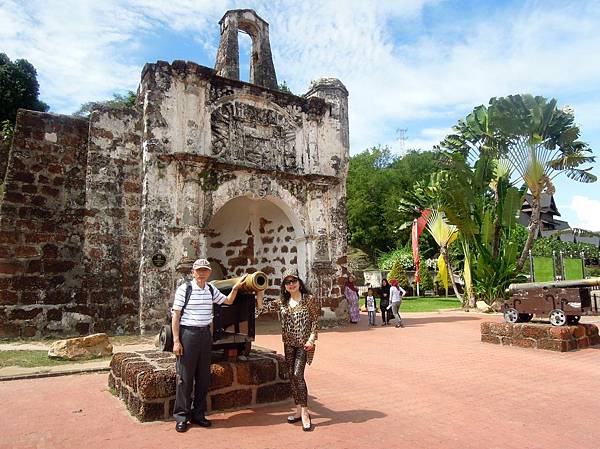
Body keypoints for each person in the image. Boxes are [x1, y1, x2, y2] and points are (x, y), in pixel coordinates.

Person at [171, 258, 247, 433]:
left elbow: (227, 301)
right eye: (199, 270)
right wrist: (176, 340)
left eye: (205, 270)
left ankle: (198, 414)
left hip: (205, 334)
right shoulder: (185, 289)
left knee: (203, 377)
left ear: (209, 273)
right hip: (188, 334)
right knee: (185, 377)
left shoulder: (211, 289)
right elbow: (176, 316)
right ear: (193, 272)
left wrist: (235, 288)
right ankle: (182, 416)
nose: (202, 273)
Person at [256, 269, 320, 431]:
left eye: (294, 281)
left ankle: (305, 412)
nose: (291, 284)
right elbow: (262, 309)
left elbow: (315, 321)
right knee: (291, 375)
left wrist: (312, 339)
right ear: (284, 287)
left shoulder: (308, 300)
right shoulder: (282, 302)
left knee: (298, 375)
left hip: (304, 344)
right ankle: (298, 410)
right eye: (288, 282)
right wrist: (260, 292)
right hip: (288, 343)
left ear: (299, 283)